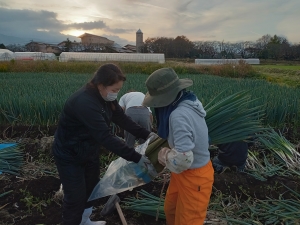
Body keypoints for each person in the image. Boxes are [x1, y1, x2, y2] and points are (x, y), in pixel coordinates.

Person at [52, 63, 157, 225]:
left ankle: (85, 221)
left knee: (92, 189)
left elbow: (122, 119)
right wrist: (136, 157)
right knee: (75, 197)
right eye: (114, 90)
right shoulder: (85, 102)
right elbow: (105, 136)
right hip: (69, 155)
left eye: (118, 90)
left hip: (89, 151)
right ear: (101, 85)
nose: (116, 93)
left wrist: (147, 134)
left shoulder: (106, 99)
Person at [142, 67, 214, 225]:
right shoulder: (189, 100)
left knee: (188, 220)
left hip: (195, 175)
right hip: (182, 173)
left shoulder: (178, 115)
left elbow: (183, 159)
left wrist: (165, 154)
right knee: (171, 210)